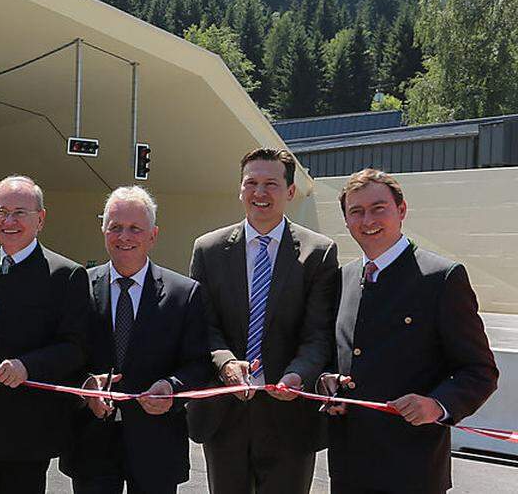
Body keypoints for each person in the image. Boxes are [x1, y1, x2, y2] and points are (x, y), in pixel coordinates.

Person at [320, 169, 498, 494]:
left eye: (378, 208)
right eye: (356, 211)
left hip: (412, 470)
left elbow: (480, 370)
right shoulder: (342, 279)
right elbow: (341, 355)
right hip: (349, 467)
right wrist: (328, 380)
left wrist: (437, 405)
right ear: (346, 221)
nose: (367, 219)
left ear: (401, 211)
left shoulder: (441, 278)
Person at [187, 147, 339, 493]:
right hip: (225, 415)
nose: (259, 193)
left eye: (271, 184)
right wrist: (226, 364)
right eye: (251, 183)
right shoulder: (208, 250)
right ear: (240, 189)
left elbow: (318, 333)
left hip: (290, 418)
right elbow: (201, 326)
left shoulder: (318, 252)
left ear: (290, 192)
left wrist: (299, 374)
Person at [0, 175, 89, 493]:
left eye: (19, 213)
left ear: (41, 218)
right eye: (1, 211)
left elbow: (75, 348)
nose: (8, 221)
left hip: (26, 431)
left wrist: (28, 366)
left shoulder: (66, 275)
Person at [59, 186, 210, 494]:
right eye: (115, 227)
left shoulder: (184, 293)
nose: (124, 236)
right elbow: (64, 354)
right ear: (103, 231)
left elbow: (199, 364)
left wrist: (171, 387)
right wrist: (85, 385)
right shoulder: (77, 287)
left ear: (152, 235)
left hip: (156, 445)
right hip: (91, 445)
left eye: (134, 229)